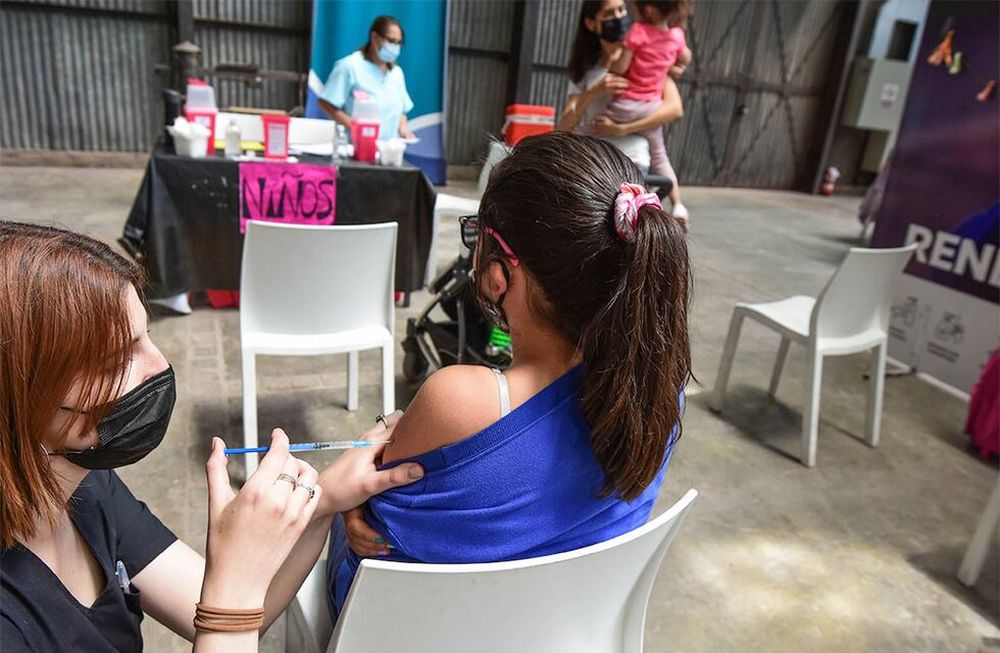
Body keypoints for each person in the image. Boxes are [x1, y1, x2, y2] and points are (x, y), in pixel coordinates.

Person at [0, 222, 424, 652]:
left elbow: (227, 612)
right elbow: (228, 611)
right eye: (116, 361)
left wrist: (321, 499)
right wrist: (234, 592)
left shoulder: (79, 488)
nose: (160, 366)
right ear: (20, 398)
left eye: (148, 337)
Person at [327, 132, 692, 616]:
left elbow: (374, 543)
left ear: (499, 276)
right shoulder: (660, 389)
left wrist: (343, 495)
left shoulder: (458, 400)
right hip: (562, 626)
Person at [558, 0, 691, 221]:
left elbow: (674, 110)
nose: (620, 17)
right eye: (610, 14)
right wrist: (593, 92)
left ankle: (677, 205)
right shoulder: (586, 70)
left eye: (621, 10)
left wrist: (622, 129)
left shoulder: (645, 53)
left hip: (633, 162)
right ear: (591, 23)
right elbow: (563, 128)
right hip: (595, 162)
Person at [318, 15, 415, 141]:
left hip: (389, 148)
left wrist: (403, 129)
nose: (395, 47)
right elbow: (326, 103)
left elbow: (401, 111)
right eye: (391, 41)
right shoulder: (350, 66)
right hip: (357, 146)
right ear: (374, 37)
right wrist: (354, 126)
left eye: (399, 43)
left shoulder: (396, 73)